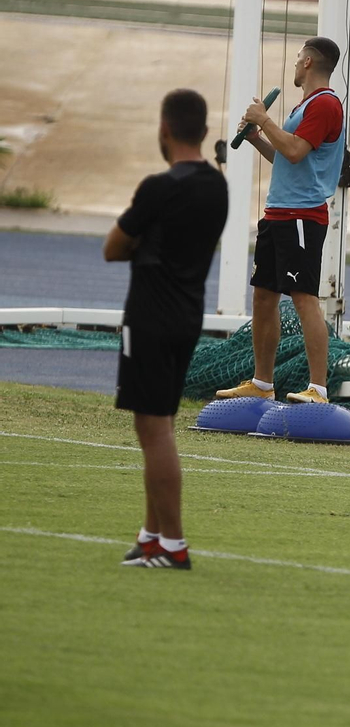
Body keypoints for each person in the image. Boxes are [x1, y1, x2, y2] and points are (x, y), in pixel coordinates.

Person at [106, 89, 230, 569]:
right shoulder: (216, 187)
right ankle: (152, 534)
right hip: (186, 316)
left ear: (164, 130)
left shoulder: (157, 187)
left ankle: (173, 544)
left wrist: (141, 245)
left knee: (154, 431)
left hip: (150, 319)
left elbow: (112, 248)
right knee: (156, 425)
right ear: (202, 131)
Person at [216, 37, 347, 405]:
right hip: (278, 213)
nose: (294, 66)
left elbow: (294, 150)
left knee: (304, 298)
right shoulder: (304, 105)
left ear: (307, 62)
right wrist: (258, 137)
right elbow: (286, 156)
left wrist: (264, 118)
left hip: (303, 215)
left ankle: (318, 389)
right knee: (263, 296)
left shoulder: (324, 104)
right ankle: (262, 382)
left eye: (297, 60)